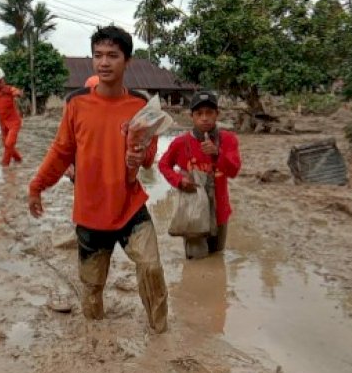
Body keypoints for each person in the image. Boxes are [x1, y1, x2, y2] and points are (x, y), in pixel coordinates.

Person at [28, 25, 168, 334]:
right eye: (98, 55)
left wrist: (139, 155)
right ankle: (96, 338)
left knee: (151, 266)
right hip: (91, 212)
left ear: (127, 61)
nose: (104, 63)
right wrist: (36, 186)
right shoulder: (76, 103)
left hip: (131, 206)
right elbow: (61, 151)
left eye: (112, 56)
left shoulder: (140, 104)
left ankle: (161, 333)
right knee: (92, 288)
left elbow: (147, 157)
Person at [158, 90, 242, 259]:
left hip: (220, 213)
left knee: (217, 256)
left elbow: (233, 171)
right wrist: (179, 181)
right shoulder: (180, 143)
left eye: (209, 113)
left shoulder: (228, 139)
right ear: (192, 116)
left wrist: (217, 153)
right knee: (196, 260)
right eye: (199, 113)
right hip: (192, 212)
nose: (204, 118)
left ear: (217, 114)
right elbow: (163, 164)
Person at [0, 67, 24, 167]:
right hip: (3, 124)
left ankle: (4, 166)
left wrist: (18, 93)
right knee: (7, 144)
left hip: (14, 123)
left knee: (8, 143)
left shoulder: (9, 89)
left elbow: (16, 91)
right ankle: (19, 160)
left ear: (2, 80)